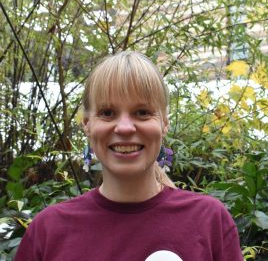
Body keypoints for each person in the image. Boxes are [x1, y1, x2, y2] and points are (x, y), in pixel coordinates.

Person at [14, 51, 243, 261]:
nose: (124, 128)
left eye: (142, 112)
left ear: (164, 123)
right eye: (107, 113)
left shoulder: (209, 221)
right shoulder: (48, 231)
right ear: (87, 124)